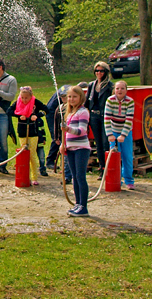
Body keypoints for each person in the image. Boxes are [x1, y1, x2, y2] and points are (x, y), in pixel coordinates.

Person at [8, 86, 49, 185]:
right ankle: (24, 176)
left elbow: (46, 109)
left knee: (32, 155)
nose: (24, 100)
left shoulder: (35, 102)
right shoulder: (17, 103)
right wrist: (18, 116)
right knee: (23, 154)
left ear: (31, 97)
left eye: (26, 98)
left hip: (33, 132)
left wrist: (37, 115)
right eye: (22, 98)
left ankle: (34, 177)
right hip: (22, 132)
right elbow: (9, 111)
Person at [60, 85, 91, 217]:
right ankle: (77, 203)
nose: (71, 99)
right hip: (71, 148)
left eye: (74, 97)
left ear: (80, 97)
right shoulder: (70, 113)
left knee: (80, 176)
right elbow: (66, 134)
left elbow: (82, 130)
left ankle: (83, 206)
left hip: (81, 149)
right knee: (74, 177)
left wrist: (68, 129)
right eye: (70, 97)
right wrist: (63, 144)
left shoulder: (83, 112)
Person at [104, 81, 136, 190]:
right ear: (114, 90)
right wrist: (109, 135)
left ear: (126, 90)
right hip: (113, 130)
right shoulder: (110, 100)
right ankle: (116, 179)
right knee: (113, 156)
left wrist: (123, 135)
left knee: (127, 156)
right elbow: (107, 118)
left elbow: (129, 120)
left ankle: (129, 180)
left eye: (122, 88)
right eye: (117, 88)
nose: (120, 91)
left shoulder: (130, 102)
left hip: (125, 131)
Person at [85, 61, 114, 180]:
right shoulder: (92, 85)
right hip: (94, 116)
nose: (99, 73)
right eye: (97, 71)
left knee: (105, 142)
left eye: (101, 71)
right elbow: (87, 101)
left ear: (106, 72)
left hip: (105, 116)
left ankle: (109, 168)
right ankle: (102, 168)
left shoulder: (109, 86)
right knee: (98, 144)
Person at [50, 85, 73, 185]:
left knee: (71, 158)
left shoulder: (74, 109)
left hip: (72, 136)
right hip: (63, 137)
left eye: (65, 96)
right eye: (62, 97)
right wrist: (56, 137)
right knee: (65, 158)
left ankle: (71, 175)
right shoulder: (59, 109)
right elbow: (56, 123)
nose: (63, 99)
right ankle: (66, 175)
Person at [45, 84, 71, 170]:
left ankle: (63, 162)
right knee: (56, 137)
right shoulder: (66, 90)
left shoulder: (69, 89)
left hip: (60, 113)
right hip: (52, 113)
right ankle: (50, 161)